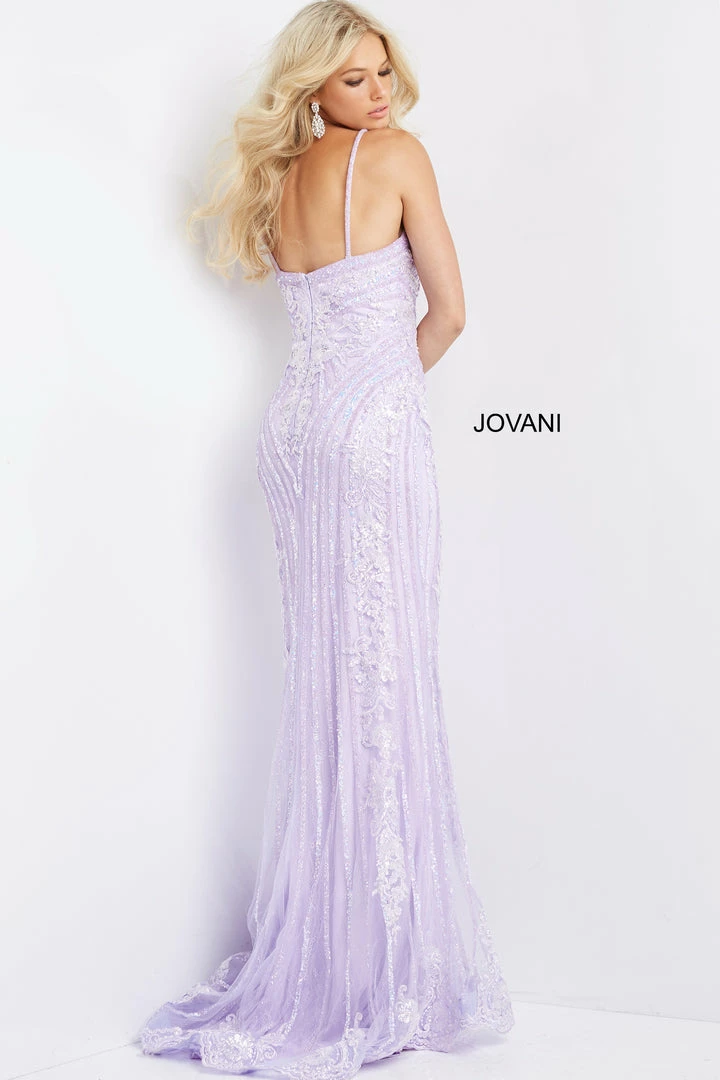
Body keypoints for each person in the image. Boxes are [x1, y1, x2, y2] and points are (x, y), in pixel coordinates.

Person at [137, 2, 515, 1074]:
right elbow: (448, 314)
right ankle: (382, 974)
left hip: (291, 436)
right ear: (313, 87)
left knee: (327, 683)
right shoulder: (396, 159)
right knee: (384, 676)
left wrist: (350, 399)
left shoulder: (279, 178)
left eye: (383, 72)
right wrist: (380, 399)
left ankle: (336, 954)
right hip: (365, 434)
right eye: (355, 79)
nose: (380, 94)